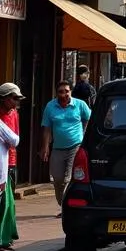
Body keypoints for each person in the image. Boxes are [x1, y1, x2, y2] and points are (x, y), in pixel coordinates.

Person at [40, 80, 90, 211]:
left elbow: (89, 119)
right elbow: (46, 129)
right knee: (57, 179)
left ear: (71, 92)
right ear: (57, 94)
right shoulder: (50, 107)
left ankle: (67, 209)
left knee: (68, 178)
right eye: (61, 92)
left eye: (66, 91)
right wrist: (45, 147)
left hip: (75, 146)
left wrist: (84, 135)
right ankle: (63, 204)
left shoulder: (80, 105)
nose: (64, 94)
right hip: (57, 148)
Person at [0, 84, 22, 251]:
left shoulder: (14, 114)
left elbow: (15, 139)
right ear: (4, 98)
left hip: (10, 160)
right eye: (14, 98)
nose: (16, 102)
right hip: (2, 163)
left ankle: (6, 237)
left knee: (9, 203)